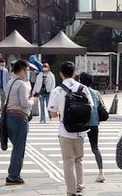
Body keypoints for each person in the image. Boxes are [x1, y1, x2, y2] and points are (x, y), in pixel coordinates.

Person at [48, 62, 93, 196]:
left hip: (65, 131)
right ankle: (80, 186)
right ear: (75, 73)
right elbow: (90, 106)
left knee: (68, 160)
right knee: (79, 159)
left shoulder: (57, 90)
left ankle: (71, 191)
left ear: (61, 74)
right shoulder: (83, 88)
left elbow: (53, 113)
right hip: (81, 131)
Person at [4, 59, 34, 185]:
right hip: (19, 118)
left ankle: (13, 173)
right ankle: (13, 175)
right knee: (19, 148)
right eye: (26, 71)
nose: (27, 74)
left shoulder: (10, 82)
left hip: (10, 117)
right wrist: (33, 100)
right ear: (22, 71)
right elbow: (25, 103)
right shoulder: (21, 84)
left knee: (17, 147)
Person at [78, 72, 106, 182]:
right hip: (94, 123)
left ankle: (78, 175)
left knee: (78, 149)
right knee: (95, 148)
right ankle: (101, 172)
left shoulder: (78, 92)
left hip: (81, 123)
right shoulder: (96, 93)